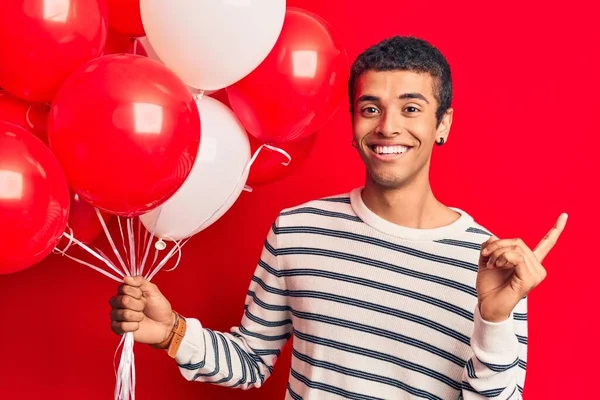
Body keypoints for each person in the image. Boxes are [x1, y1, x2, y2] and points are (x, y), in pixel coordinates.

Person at [110, 36, 567, 399]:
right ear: (353, 122)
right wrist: (172, 332)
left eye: (411, 108)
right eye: (371, 108)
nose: (388, 126)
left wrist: (494, 319)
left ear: (442, 124)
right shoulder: (297, 231)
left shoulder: (493, 266)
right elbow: (251, 360)